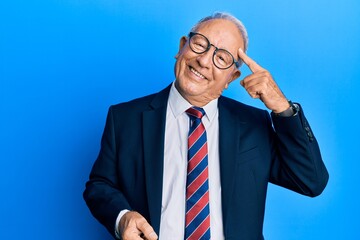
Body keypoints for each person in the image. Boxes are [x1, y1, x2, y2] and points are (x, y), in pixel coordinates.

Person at [83, 12, 329, 240]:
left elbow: (311, 181)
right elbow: (99, 185)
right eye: (200, 44)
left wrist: (282, 108)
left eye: (221, 58)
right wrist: (122, 217)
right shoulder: (125, 118)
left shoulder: (254, 125)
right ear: (182, 47)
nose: (203, 61)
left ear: (231, 78)